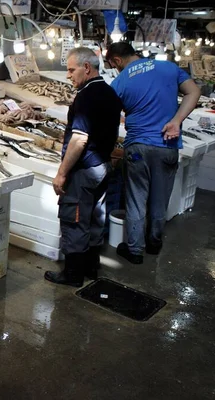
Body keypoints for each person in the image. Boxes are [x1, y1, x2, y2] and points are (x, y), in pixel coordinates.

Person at [106, 42, 201, 265]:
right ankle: (154, 243)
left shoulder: (119, 82)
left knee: (136, 199)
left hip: (137, 147)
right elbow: (194, 91)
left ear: (117, 60)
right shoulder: (168, 67)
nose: (114, 69)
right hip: (167, 145)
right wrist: (176, 121)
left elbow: (109, 118)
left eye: (112, 65)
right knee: (160, 197)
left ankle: (135, 250)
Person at [44, 47, 123, 287]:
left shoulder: (86, 97)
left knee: (75, 218)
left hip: (85, 169)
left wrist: (61, 173)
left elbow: (79, 139)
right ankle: (91, 267)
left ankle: (73, 274)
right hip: (102, 165)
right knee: (94, 217)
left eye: (71, 70)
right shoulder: (110, 93)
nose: (68, 76)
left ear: (86, 67)